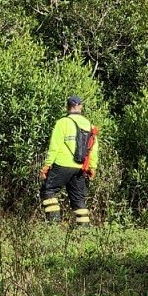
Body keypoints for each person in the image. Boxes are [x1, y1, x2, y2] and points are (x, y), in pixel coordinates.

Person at [40, 95, 99, 225]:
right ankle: (84, 229)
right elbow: (93, 147)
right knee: (78, 199)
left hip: (62, 163)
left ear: (67, 107)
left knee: (48, 190)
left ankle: (53, 223)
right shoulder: (90, 125)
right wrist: (93, 167)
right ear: (81, 107)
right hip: (80, 167)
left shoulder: (62, 122)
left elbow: (54, 146)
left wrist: (47, 165)